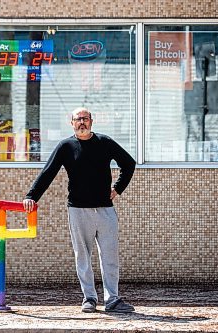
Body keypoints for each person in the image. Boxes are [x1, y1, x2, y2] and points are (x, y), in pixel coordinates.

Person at [23, 107, 136, 313]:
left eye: (85, 118)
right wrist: (32, 196)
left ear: (91, 121)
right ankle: (89, 298)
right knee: (82, 255)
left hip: (105, 210)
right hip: (78, 210)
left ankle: (112, 299)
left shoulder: (105, 142)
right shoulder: (66, 146)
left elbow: (129, 163)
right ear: (71, 123)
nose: (81, 122)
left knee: (110, 256)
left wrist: (117, 189)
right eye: (78, 119)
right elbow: (48, 173)